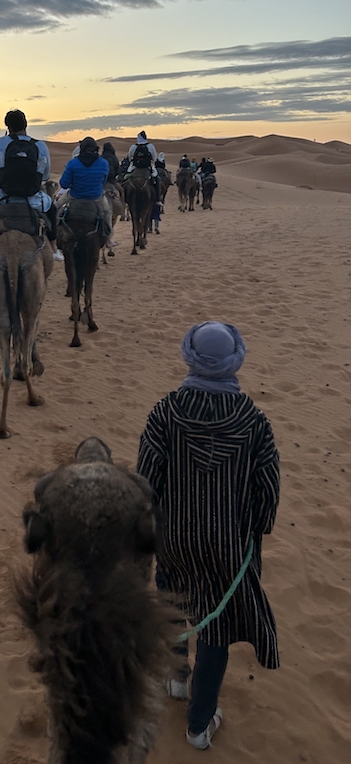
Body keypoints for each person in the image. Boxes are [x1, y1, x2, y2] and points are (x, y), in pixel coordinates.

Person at [136, 322, 280, 751]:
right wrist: (256, 529)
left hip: (174, 541)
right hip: (228, 549)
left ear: (190, 359)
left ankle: (178, 680)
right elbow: (267, 491)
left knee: (174, 603)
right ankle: (198, 724)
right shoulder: (254, 422)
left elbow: (146, 481)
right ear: (234, 362)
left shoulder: (165, 413)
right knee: (216, 627)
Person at [0, 109, 63, 260]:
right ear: (26, 125)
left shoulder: (0, 143)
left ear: (8, 127)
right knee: (52, 210)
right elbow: (46, 175)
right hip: (33, 195)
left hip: (3, 194)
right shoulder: (39, 145)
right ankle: (54, 248)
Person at [58, 137, 112, 244]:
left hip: (74, 196)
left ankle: (53, 238)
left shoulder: (72, 163)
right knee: (107, 212)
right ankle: (109, 239)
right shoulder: (104, 163)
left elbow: (64, 184)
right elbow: (103, 181)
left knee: (55, 207)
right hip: (96, 197)